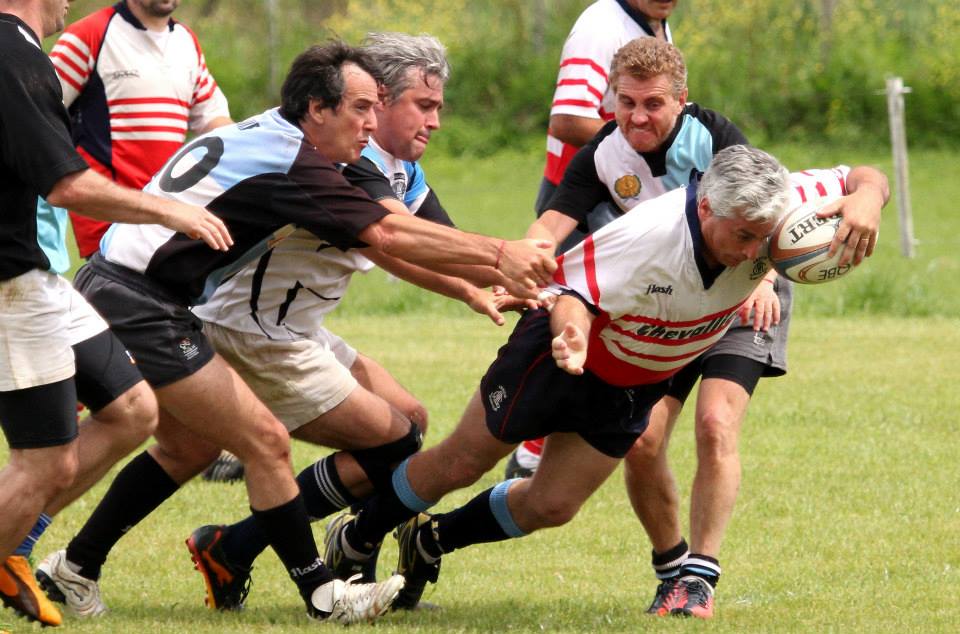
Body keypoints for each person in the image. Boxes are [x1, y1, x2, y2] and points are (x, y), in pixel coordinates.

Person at [30, 40, 555, 625]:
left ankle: (75, 564)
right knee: (276, 442)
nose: (373, 120)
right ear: (316, 108)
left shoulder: (305, 147)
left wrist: (513, 280)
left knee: (185, 444)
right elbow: (391, 239)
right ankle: (324, 586)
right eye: (364, 107)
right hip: (187, 311)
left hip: (160, 297)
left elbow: (424, 237)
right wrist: (500, 255)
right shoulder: (306, 164)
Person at [321, 145, 885, 613]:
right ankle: (356, 535)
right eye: (742, 237)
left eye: (763, 238)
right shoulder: (650, 237)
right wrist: (571, 337)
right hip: (561, 352)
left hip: (633, 378)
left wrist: (866, 200)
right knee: (464, 461)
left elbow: (864, 175)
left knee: (554, 505)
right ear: (708, 207)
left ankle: (430, 539)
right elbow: (570, 294)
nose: (753, 253)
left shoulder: (782, 209)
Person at [511, 37, 887, 618]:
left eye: (653, 103)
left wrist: (772, 272)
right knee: (643, 441)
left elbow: (771, 201)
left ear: (681, 101)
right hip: (666, 302)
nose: (638, 116)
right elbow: (555, 220)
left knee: (715, 423)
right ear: (610, 100)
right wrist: (524, 258)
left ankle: (701, 577)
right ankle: (671, 569)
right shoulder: (602, 157)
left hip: (745, 288)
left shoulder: (713, 135)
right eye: (626, 102)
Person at [170, 31, 517, 611]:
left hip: (295, 327)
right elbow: (394, 246)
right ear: (379, 101)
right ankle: (331, 555)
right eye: (423, 106)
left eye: (439, 108)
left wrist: (535, 286)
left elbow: (450, 242)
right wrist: (486, 274)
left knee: (408, 419)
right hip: (253, 329)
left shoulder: (397, 167)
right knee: (392, 439)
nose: (434, 121)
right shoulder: (349, 165)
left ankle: (251, 548)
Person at [0, 0, 231, 626]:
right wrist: (169, 209)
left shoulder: (25, 51)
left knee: (134, 410)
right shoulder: (17, 54)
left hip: (38, 277)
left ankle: (12, 539)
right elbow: (63, 181)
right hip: (16, 282)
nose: (67, 1)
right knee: (44, 457)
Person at [508, 0, 677, 472]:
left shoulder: (652, 22)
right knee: (568, 314)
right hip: (580, 199)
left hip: (617, 201)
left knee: (613, 318)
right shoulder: (604, 23)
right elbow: (567, 118)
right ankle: (528, 445)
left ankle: (544, 443)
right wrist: (649, 136)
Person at [49, 0, 232, 259]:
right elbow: (38, 110)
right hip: (109, 222)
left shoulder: (185, 40)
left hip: (167, 217)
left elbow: (215, 122)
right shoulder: (89, 34)